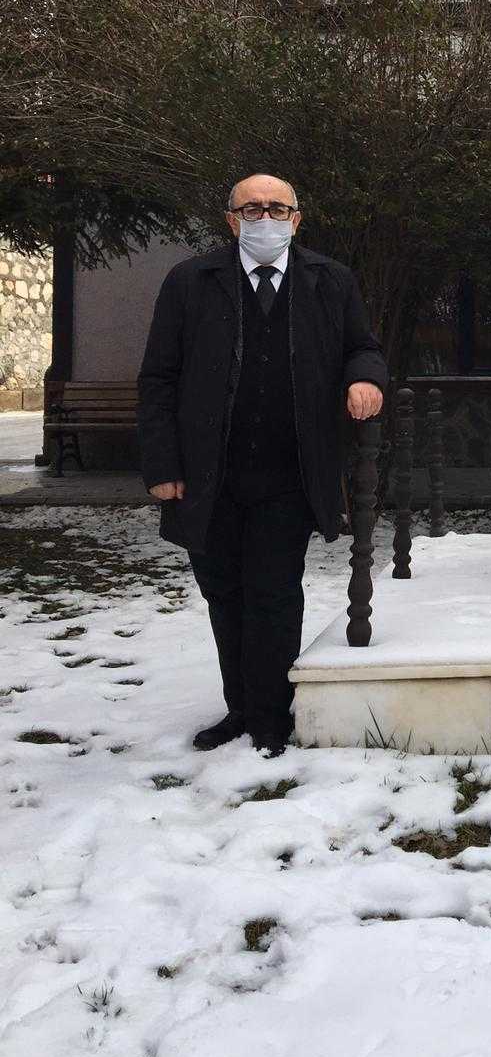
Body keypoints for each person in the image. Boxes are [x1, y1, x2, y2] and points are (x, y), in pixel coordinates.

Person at [137, 174, 387, 755]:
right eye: (252, 209)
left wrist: (365, 379)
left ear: (296, 219)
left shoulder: (330, 280)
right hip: (208, 474)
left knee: (273, 592)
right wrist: (162, 466)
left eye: (277, 208)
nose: (265, 218)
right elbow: (158, 378)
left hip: (290, 472)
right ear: (231, 220)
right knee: (224, 593)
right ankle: (240, 708)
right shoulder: (190, 281)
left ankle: (271, 716)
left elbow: (362, 346)